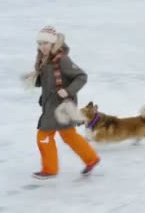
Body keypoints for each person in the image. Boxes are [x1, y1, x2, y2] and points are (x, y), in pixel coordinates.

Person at [24, 26, 100, 179]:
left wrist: (68, 90)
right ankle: (91, 159)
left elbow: (81, 76)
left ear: (53, 43)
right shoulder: (44, 60)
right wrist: (34, 79)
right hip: (50, 105)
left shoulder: (62, 59)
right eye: (40, 43)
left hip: (61, 107)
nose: (42, 46)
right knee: (69, 136)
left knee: (44, 136)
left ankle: (50, 169)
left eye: (45, 43)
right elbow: (46, 82)